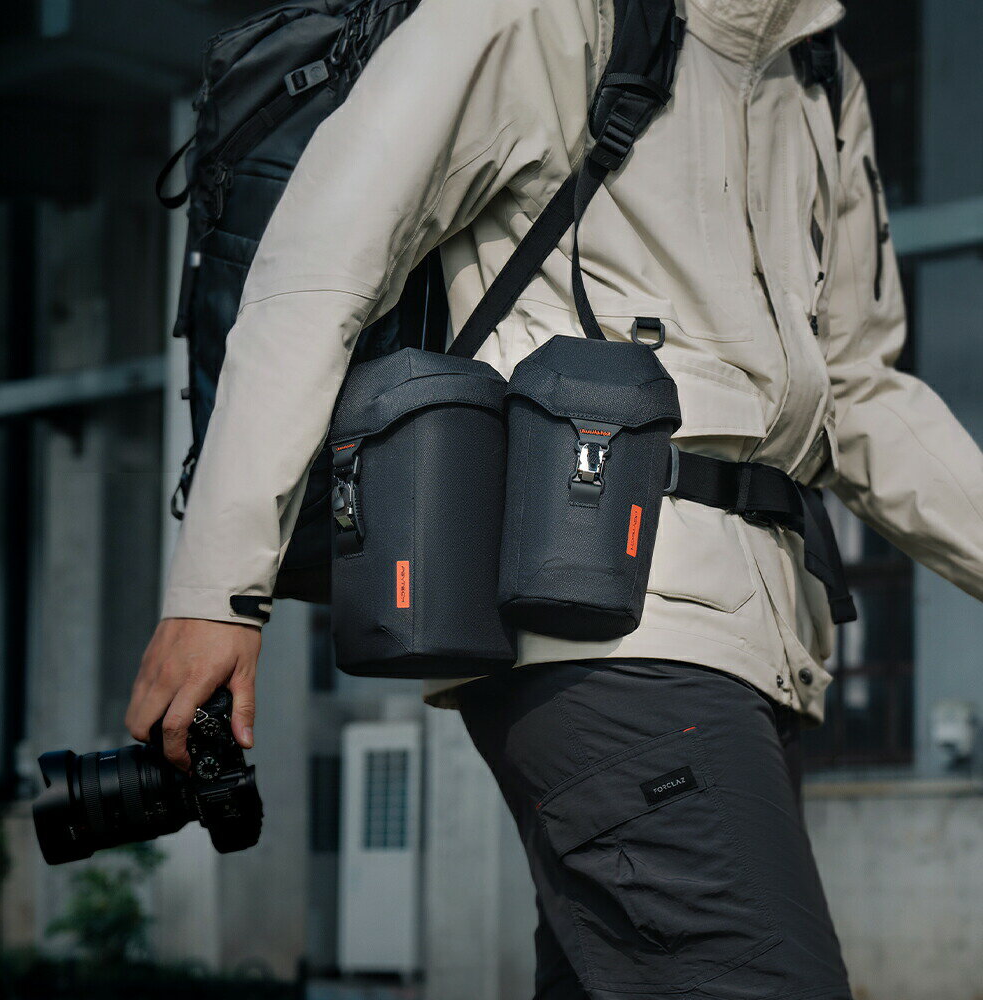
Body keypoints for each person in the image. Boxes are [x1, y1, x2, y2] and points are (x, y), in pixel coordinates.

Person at [126, 0, 983, 996]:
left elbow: (860, 391)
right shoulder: (544, 12)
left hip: (762, 649)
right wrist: (217, 590)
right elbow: (319, 269)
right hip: (601, 623)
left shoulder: (823, 75)